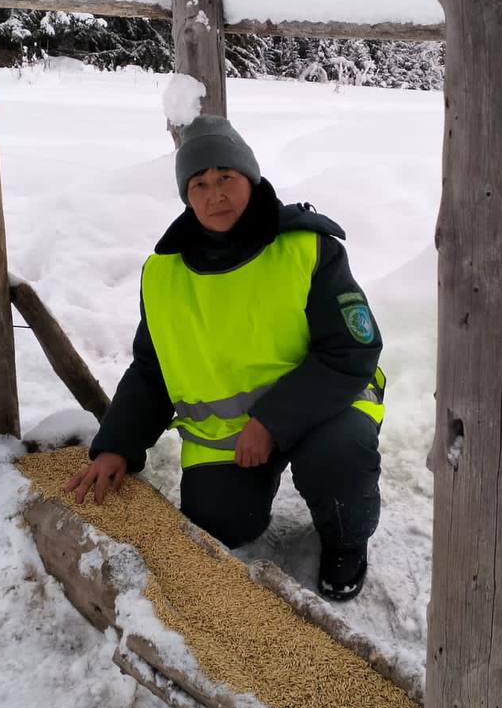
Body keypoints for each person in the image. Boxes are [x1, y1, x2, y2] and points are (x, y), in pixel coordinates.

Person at [65, 113, 385, 601]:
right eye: (199, 184)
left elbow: (351, 350)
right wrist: (116, 445)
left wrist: (272, 423)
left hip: (326, 410)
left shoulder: (306, 248)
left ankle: (346, 539)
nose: (215, 195)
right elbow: (152, 370)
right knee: (219, 525)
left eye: (226, 178)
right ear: (186, 195)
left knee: (339, 457)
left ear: (250, 179)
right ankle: (252, 490)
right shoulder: (163, 274)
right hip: (229, 438)